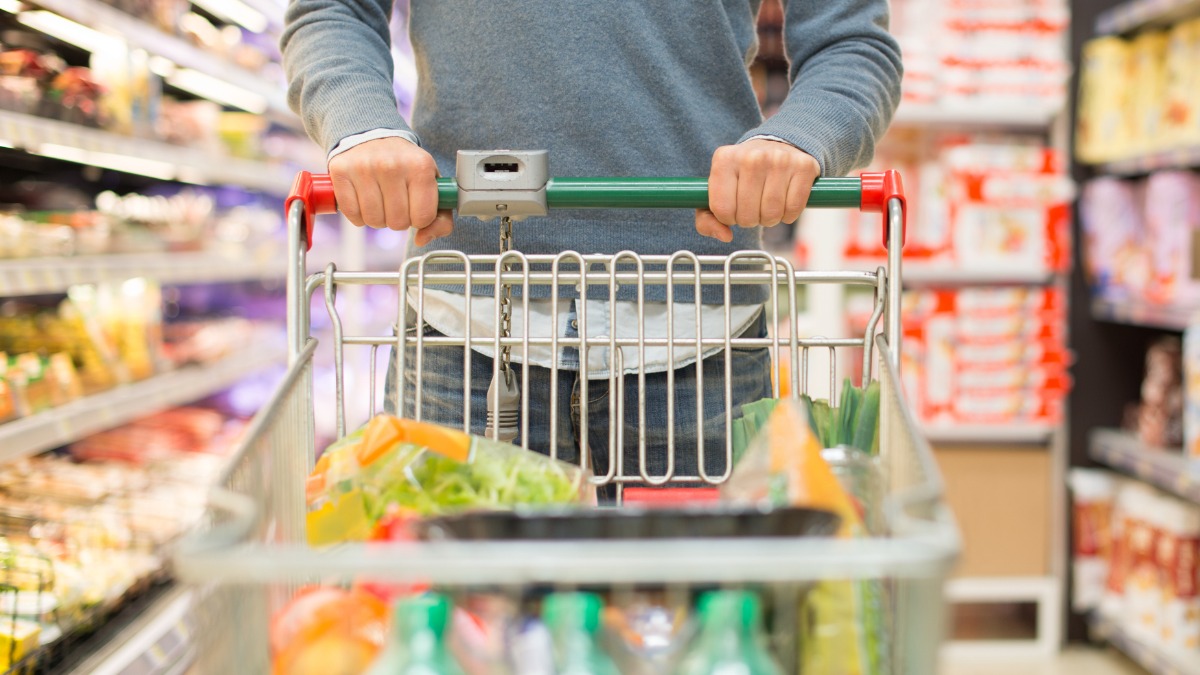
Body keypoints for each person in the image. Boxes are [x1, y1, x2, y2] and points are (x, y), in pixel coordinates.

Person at [281, 2, 902, 489]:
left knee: (705, 643)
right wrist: (361, 125)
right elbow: (331, 9)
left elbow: (853, 42)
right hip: (462, 332)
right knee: (453, 641)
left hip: (699, 339)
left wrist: (800, 137)